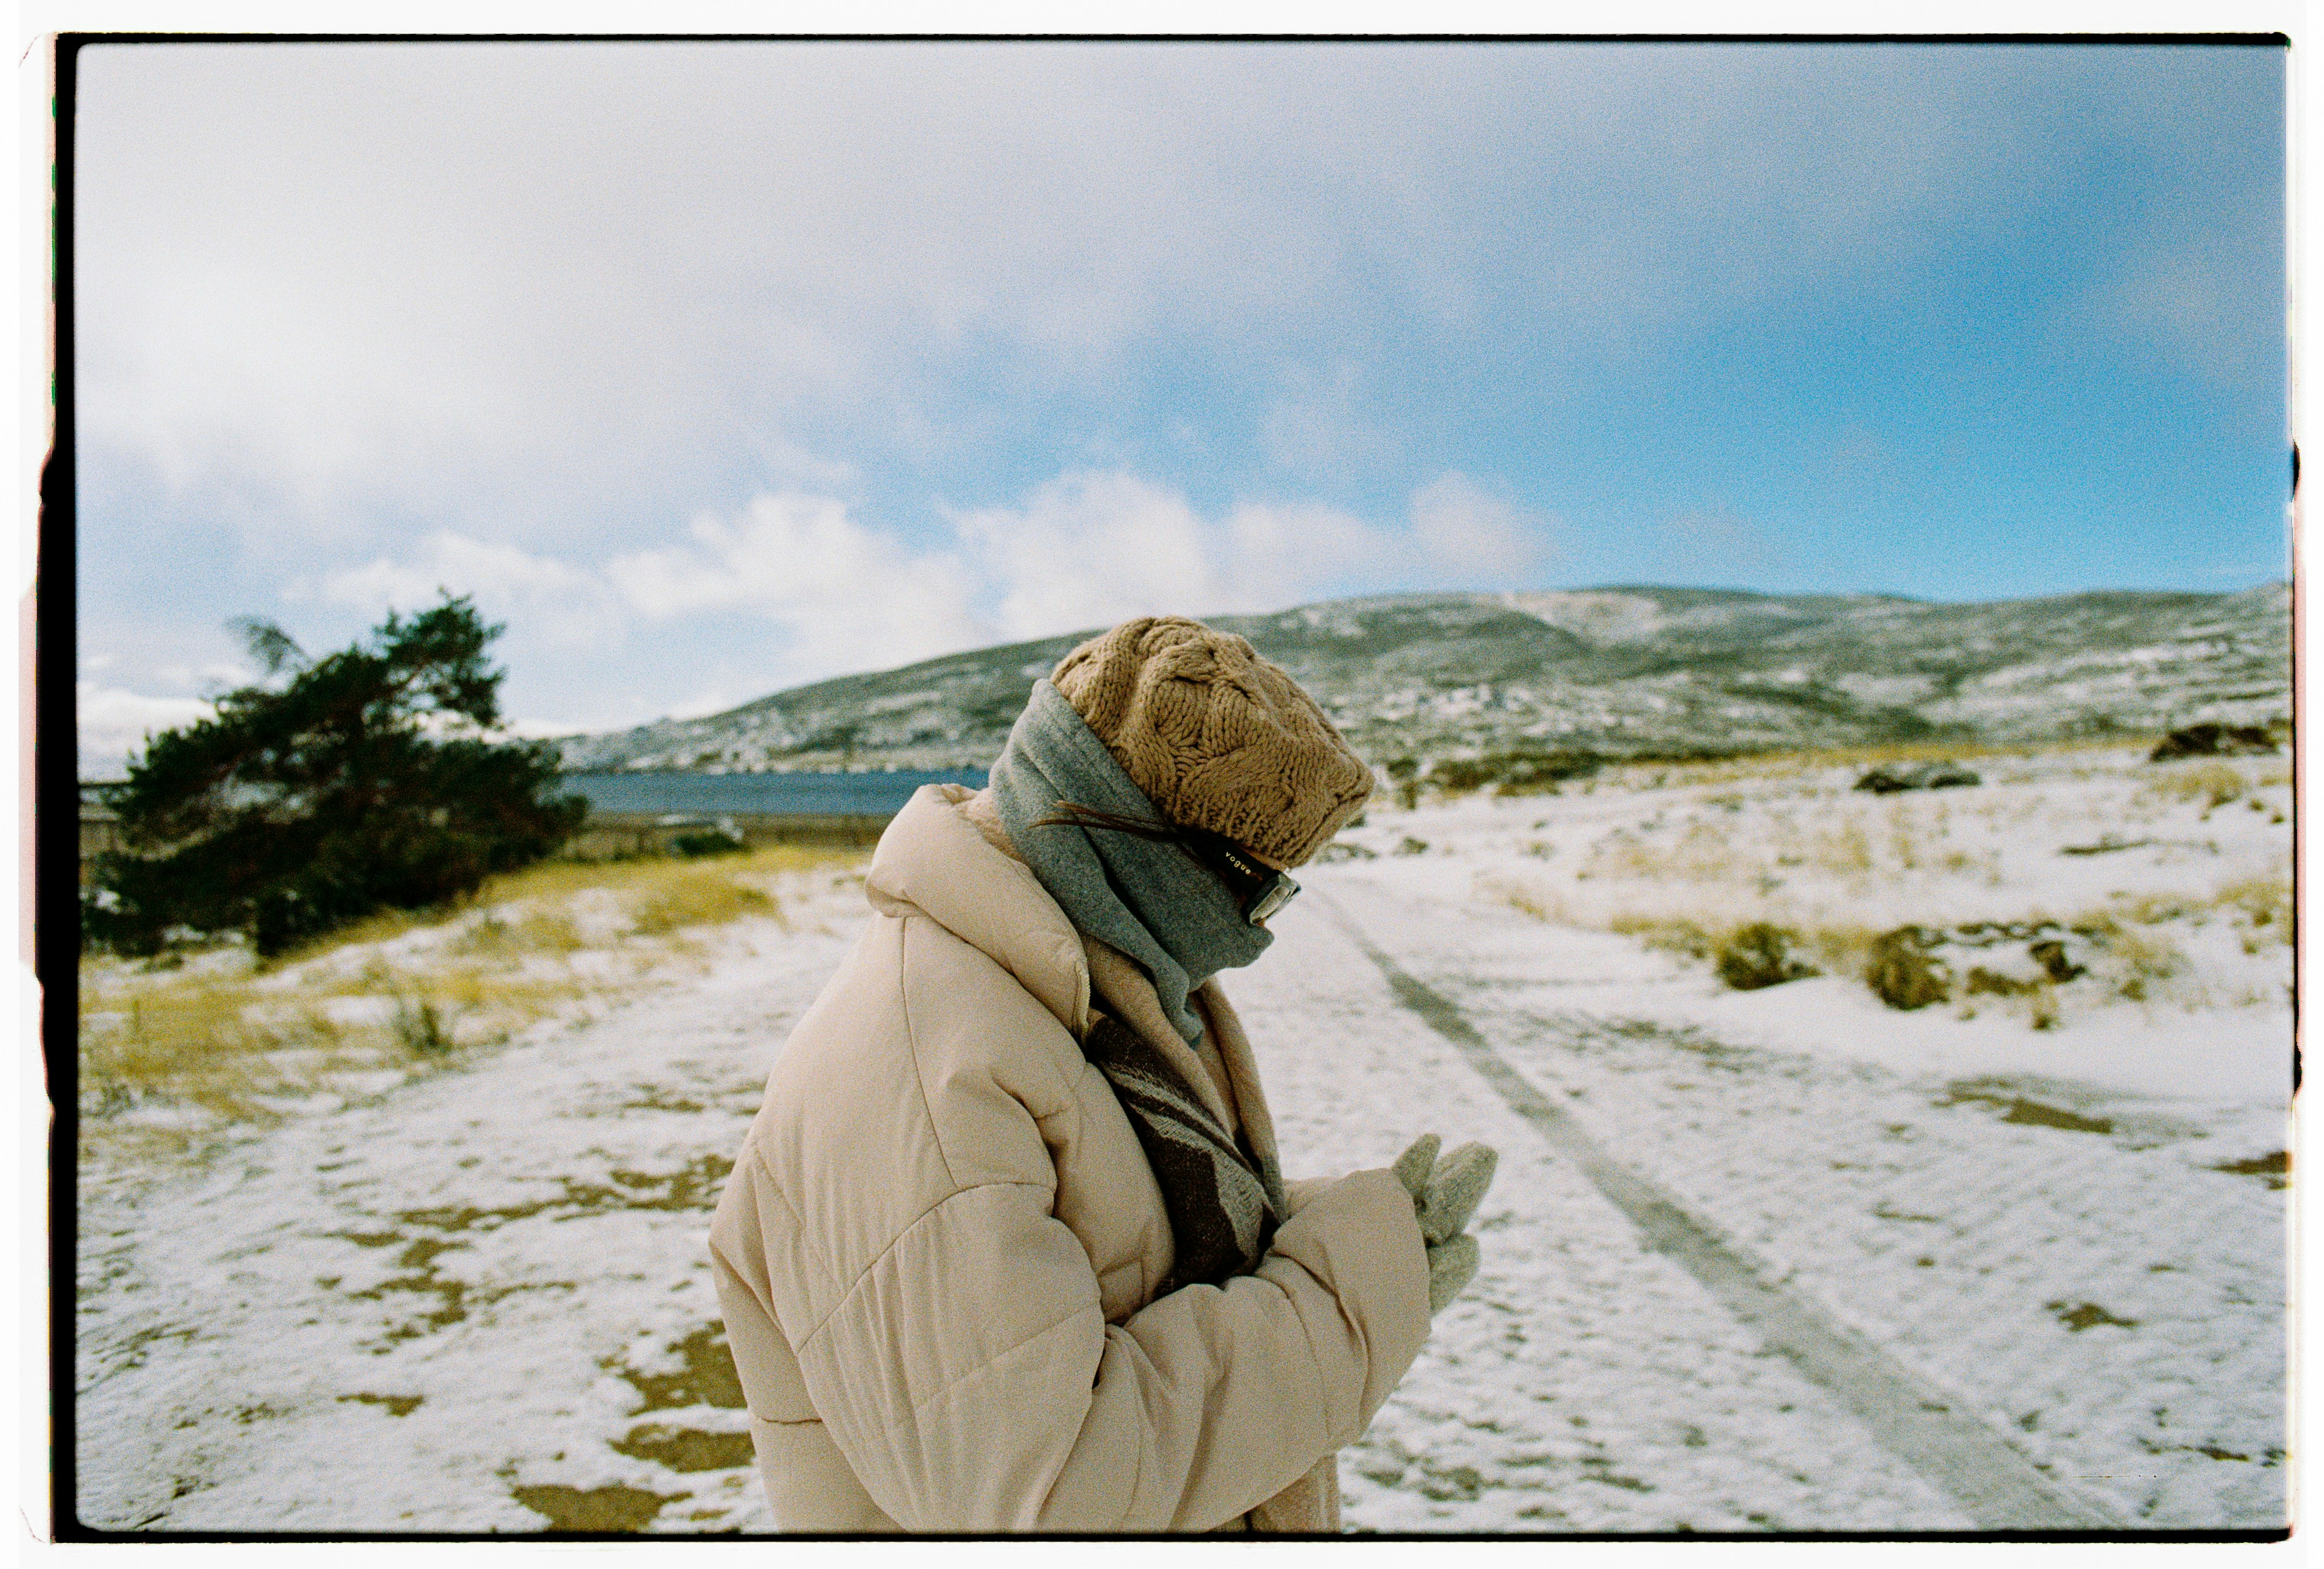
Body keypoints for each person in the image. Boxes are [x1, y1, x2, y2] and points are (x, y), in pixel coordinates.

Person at [708, 615, 1498, 1532]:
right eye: (1255, 885)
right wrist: (1343, 1306)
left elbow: (1094, 1239)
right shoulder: (925, 1068)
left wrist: (1324, 1226)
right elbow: (1045, 1491)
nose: (1253, 933)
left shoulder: (1073, 988)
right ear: (1133, 844)